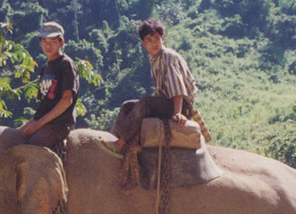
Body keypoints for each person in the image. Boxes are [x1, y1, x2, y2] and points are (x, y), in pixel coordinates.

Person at [100, 19, 197, 158]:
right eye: (149, 40)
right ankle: (115, 137)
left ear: (163, 39)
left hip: (180, 105)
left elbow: (177, 87)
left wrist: (178, 112)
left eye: (157, 38)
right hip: (167, 102)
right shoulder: (155, 59)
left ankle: (120, 144)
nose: (154, 43)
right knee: (127, 106)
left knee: (146, 103)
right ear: (143, 44)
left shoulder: (168, 57)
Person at [19, 22, 79, 150]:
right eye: (44, 41)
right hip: (45, 123)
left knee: (35, 145)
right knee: (15, 138)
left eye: (52, 41)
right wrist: (27, 125)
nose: (48, 45)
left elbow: (66, 100)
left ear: (61, 43)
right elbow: (44, 104)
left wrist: (38, 125)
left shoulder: (66, 64)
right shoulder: (45, 68)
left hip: (60, 124)